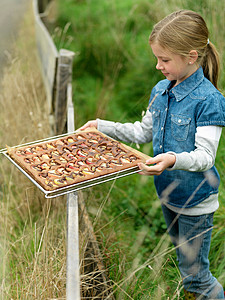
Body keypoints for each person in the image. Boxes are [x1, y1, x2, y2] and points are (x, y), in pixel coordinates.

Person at [79, 10, 225, 299]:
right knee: (186, 266)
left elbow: (205, 156)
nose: (158, 66)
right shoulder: (160, 90)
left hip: (195, 201)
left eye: (165, 59)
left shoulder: (210, 101)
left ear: (192, 56)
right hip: (168, 194)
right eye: (157, 58)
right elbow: (143, 132)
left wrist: (172, 158)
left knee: (198, 279)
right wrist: (101, 126)